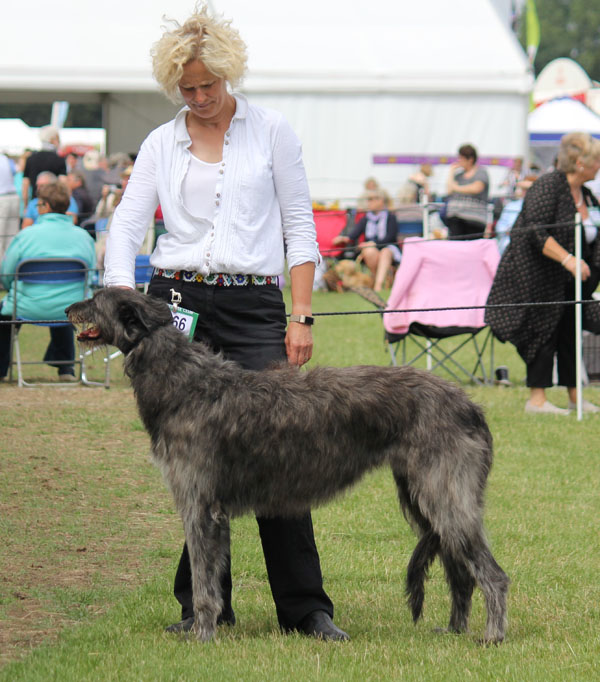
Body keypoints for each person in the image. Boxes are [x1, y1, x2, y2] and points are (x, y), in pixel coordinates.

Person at [103, 6, 348, 642]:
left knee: (280, 446)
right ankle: (202, 607)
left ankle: (306, 608)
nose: (199, 97)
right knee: (196, 459)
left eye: (208, 85)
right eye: (186, 89)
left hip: (254, 304)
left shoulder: (272, 131)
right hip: (175, 307)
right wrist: (117, 299)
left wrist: (300, 315)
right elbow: (130, 223)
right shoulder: (162, 141)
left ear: (228, 74)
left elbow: (300, 226)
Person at [486, 132, 600, 414]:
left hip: (570, 283)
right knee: (543, 333)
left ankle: (576, 396)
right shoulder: (549, 185)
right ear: (579, 162)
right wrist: (568, 259)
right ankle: (537, 400)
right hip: (535, 276)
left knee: (570, 334)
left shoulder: (586, 194)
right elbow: (534, 229)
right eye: (596, 159)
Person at [0, 181, 96, 381]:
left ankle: (1, 369)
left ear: (45, 206)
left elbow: (6, 275)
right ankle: (65, 368)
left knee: (6, 312)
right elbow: (91, 274)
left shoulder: (26, 236)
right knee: (62, 305)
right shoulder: (84, 237)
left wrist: (14, 291)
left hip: (27, 305)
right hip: (71, 307)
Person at [333, 189, 401, 291]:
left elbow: (391, 237)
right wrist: (344, 238)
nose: (369, 202)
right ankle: (379, 279)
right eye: (368, 200)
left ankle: (378, 285)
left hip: (388, 247)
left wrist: (374, 243)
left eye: (371, 199)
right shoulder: (366, 218)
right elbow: (354, 234)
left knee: (385, 252)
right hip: (371, 250)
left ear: (381, 201)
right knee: (369, 250)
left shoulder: (391, 217)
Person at [445, 144, 489, 239]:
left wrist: (456, 187)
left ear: (470, 159)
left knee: (472, 248)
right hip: (456, 217)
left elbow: (477, 188)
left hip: (474, 218)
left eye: (461, 158)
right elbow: (449, 190)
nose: (459, 161)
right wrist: (451, 172)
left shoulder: (481, 172)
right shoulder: (458, 175)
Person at [21, 125, 66, 205]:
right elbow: (63, 184)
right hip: (53, 203)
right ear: (52, 140)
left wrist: (26, 206)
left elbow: (25, 185)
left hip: (35, 202)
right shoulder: (59, 160)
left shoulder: (31, 159)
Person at [0, 152, 19, 264]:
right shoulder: (6, 158)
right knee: (11, 239)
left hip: (2, 199)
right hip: (13, 197)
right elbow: (14, 172)